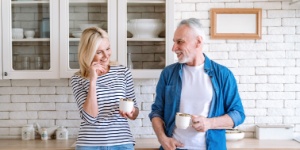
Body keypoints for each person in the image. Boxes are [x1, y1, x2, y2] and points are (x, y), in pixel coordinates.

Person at [149, 18, 245, 150]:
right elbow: (157, 112)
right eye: (174, 42)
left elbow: (238, 114)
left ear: (198, 42)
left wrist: (210, 123)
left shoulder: (223, 74)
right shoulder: (168, 73)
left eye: (180, 42)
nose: (174, 48)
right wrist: (162, 139)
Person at [71, 27, 139, 150]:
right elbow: (90, 118)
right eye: (99, 52)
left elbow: (135, 113)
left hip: (121, 142)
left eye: (107, 49)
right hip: (90, 144)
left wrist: (131, 112)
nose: (106, 56)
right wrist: (93, 81)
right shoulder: (78, 79)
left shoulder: (123, 72)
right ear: (87, 52)